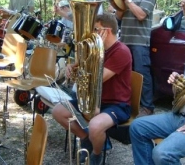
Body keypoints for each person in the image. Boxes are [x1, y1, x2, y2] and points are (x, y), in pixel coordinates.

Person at [52, 12, 132, 165]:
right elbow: (82, 64)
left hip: (117, 104)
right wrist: (72, 66)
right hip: (95, 99)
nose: (93, 33)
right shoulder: (97, 49)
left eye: (96, 29)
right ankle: (86, 139)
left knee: (95, 126)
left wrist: (80, 72)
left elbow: (97, 79)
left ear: (106, 31)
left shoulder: (121, 51)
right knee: (58, 112)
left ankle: (96, 154)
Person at [129, 47, 185, 165]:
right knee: (137, 127)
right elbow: (181, 93)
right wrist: (176, 81)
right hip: (181, 118)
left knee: (162, 153)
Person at [116, 0, 156, 117]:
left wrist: (127, 0)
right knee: (124, 74)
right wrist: (120, 1)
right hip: (125, 40)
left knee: (142, 73)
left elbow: (141, 15)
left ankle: (148, 107)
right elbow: (118, 17)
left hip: (140, 41)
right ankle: (128, 104)